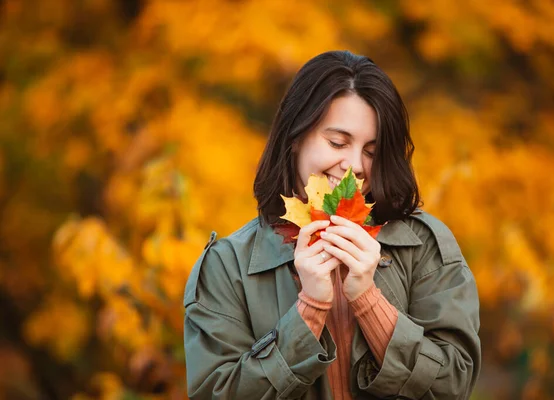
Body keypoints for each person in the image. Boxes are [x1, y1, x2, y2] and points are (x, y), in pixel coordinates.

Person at [183, 50, 481, 399]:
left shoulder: (425, 245)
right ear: (294, 137)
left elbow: (454, 386)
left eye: (371, 151)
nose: (354, 165)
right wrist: (309, 310)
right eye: (337, 142)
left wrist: (369, 302)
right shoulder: (227, 265)